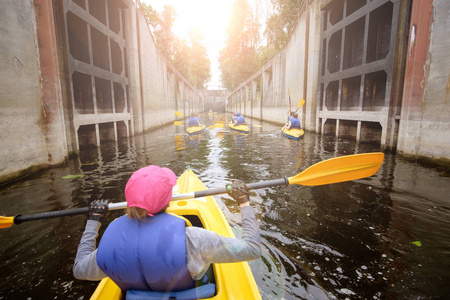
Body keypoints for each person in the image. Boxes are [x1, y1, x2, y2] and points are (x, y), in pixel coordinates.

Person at [73, 165, 261, 296]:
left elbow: (79, 269)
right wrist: (244, 202)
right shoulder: (194, 239)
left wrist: (93, 221)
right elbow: (252, 248)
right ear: (168, 198)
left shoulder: (110, 243)